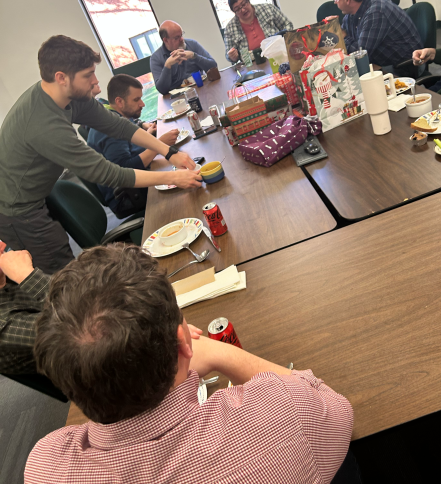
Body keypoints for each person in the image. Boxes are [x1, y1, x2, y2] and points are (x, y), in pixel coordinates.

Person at [26, 244, 356, 484]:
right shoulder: (281, 409)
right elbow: (336, 410)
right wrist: (217, 352)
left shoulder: (46, 467)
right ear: (184, 342)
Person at [0, 35, 201, 275]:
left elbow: (118, 126)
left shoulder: (69, 95)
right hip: (17, 209)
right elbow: (107, 172)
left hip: (32, 194)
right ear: (61, 78)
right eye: (87, 75)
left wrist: (169, 152)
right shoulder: (44, 123)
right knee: (59, 275)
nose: (95, 81)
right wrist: (172, 178)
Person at [88, 74, 180, 218]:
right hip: (128, 196)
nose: (142, 104)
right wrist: (159, 145)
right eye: (136, 100)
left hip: (136, 182)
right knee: (184, 183)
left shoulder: (111, 113)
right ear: (119, 102)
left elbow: (131, 132)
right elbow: (125, 171)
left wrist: (145, 130)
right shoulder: (109, 129)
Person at [334, 0, 422, 75]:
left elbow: (360, 55)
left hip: (404, 67)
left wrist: (343, 36)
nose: (335, 2)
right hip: (382, 63)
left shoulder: (376, 12)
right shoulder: (351, 15)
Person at [0, 249, 46, 375]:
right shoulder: (5, 328)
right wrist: (28, 275)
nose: (2, 243)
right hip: (92, 370)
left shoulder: (6, 278)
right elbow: (83, 325)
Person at [150, 20, 217, 95]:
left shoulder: (192, 44)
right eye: (177, 38)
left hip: (203, 90)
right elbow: (162, 90)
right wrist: (167, 65)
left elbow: (213, 66)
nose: (182, 39)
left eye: (181, 35)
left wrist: (194, 56)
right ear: (165, 40)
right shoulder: (156, 58)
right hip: (178, 98)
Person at [224, 0, 293, 62]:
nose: (243, 10)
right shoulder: (230, 29)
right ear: (234, 12)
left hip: (277, 56)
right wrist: (232, 56)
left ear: (248, 1)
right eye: (237, 9)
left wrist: (281, 38)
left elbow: (288, 24)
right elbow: (228, 55)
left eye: (244, 4)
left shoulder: (268, 9)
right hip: (251, 65)